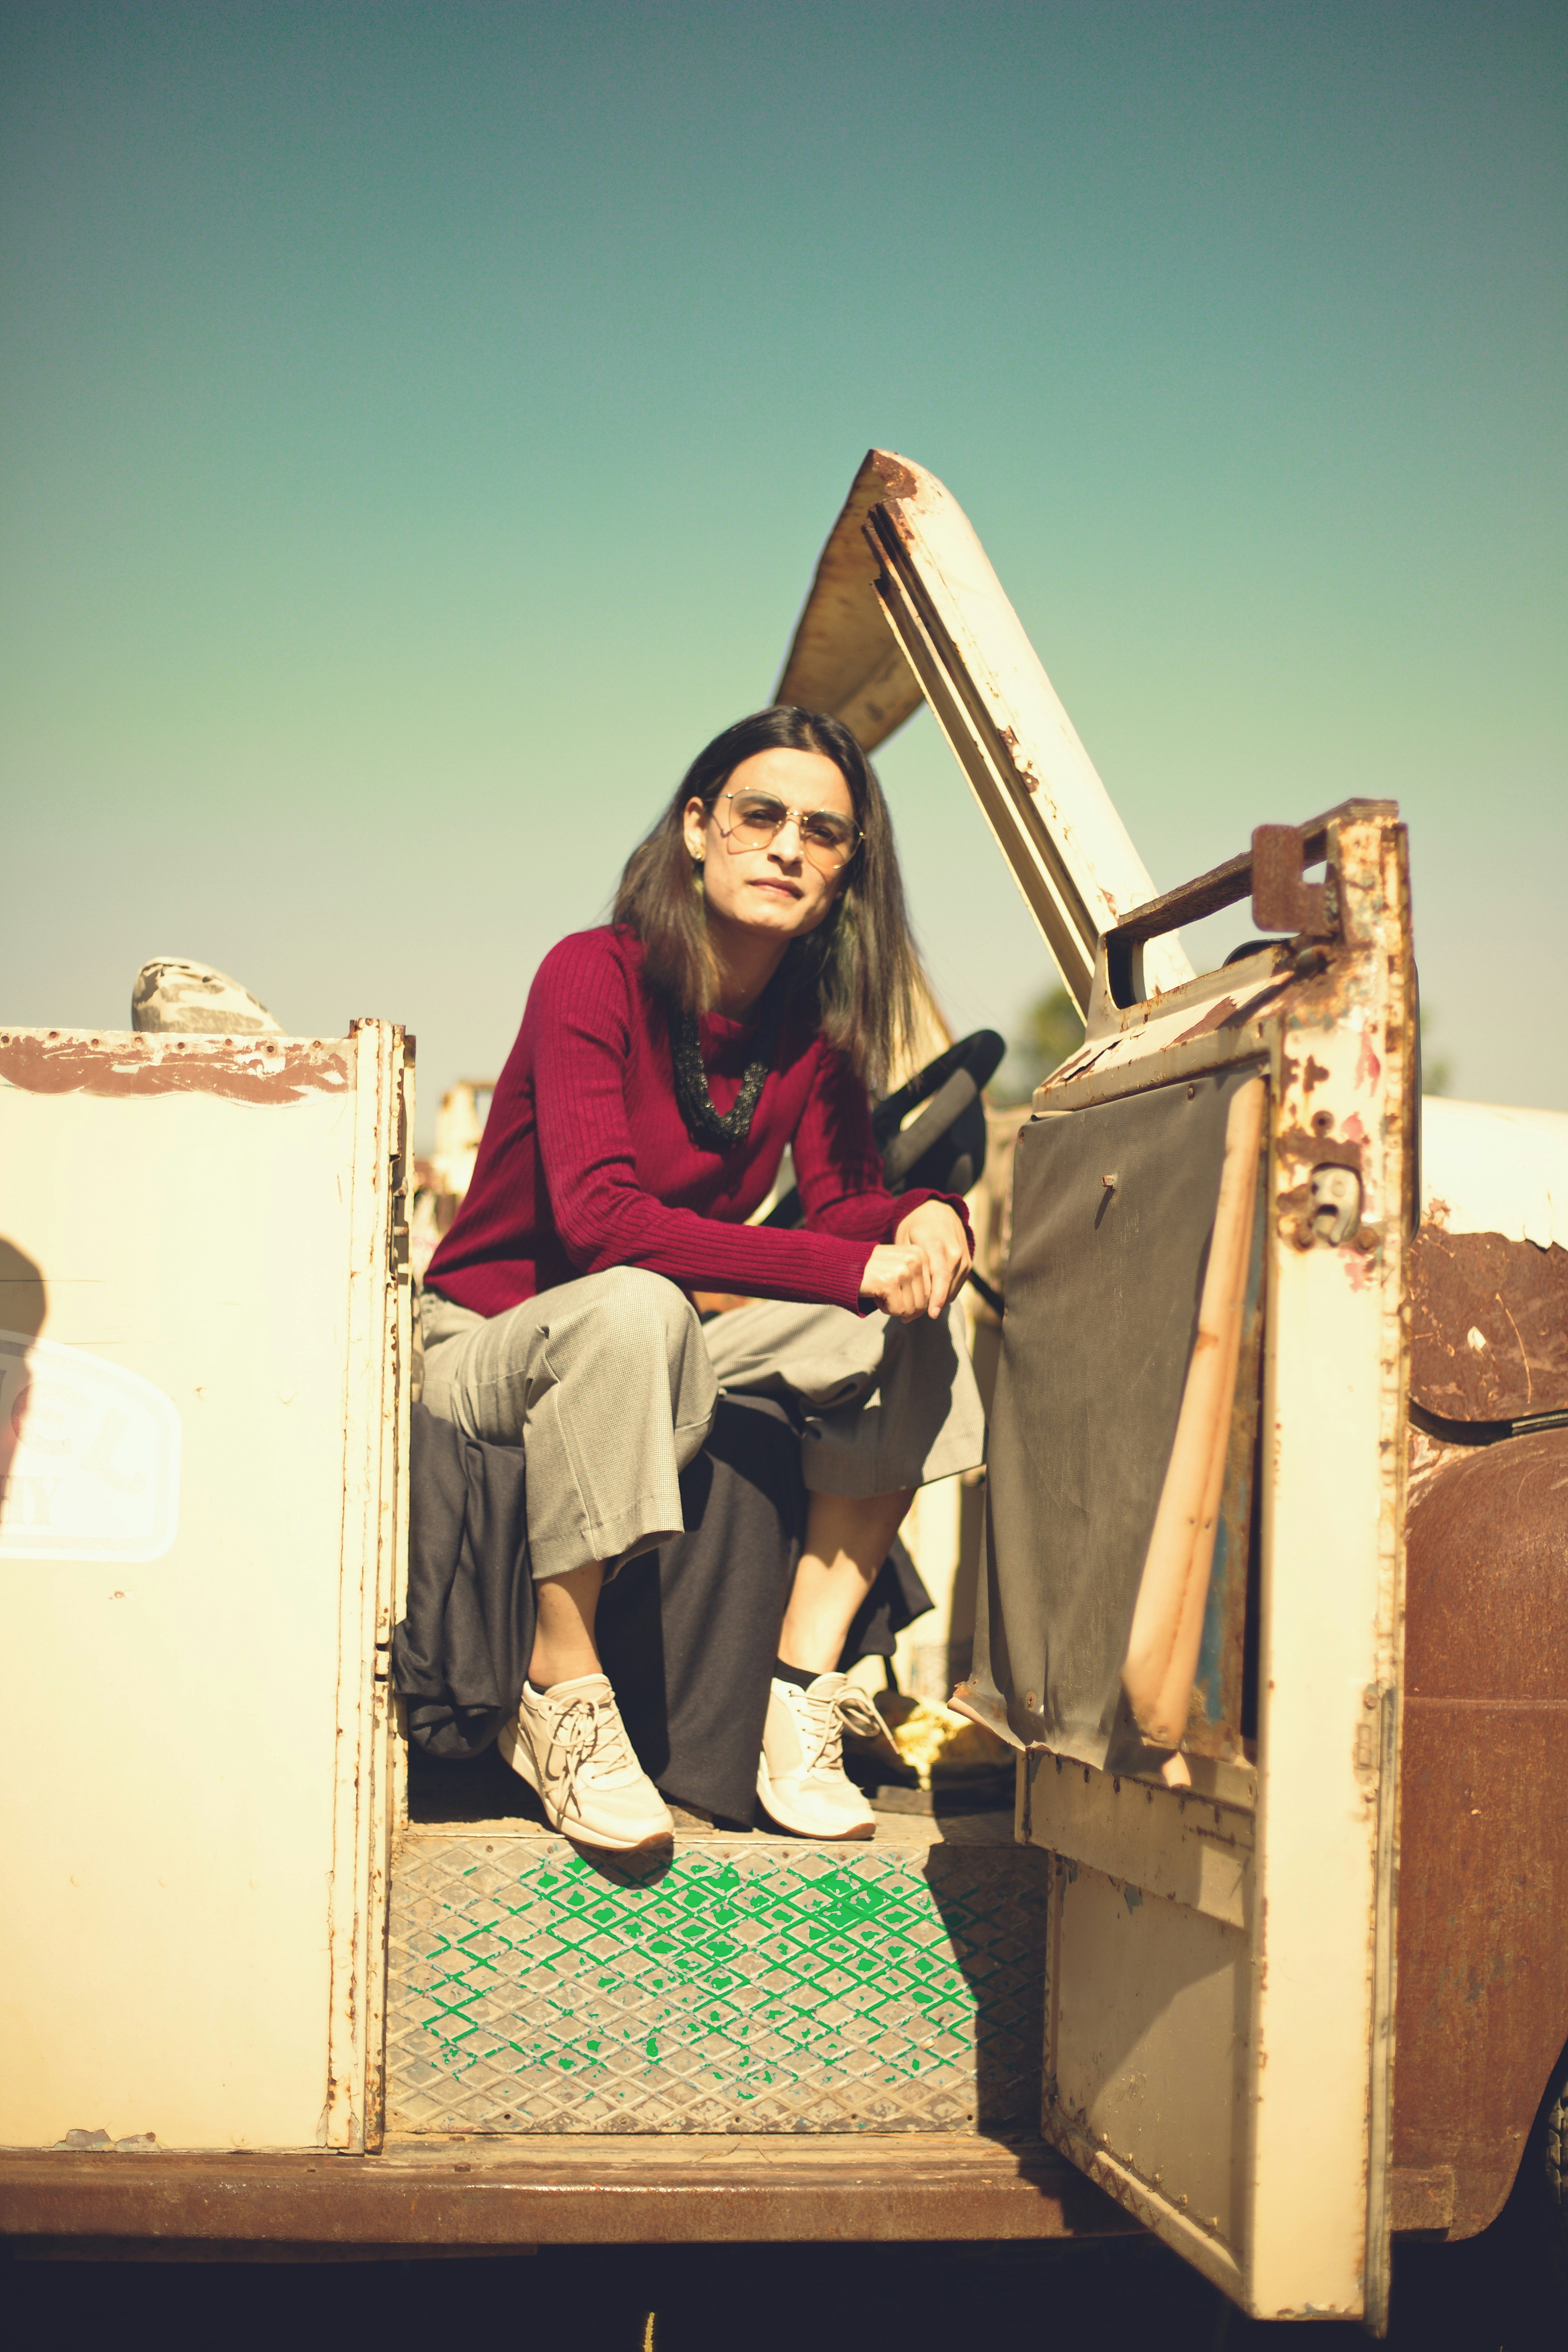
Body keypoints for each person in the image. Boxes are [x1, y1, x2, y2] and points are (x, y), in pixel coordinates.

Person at [420, 706, 986, 1851]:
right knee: (636, 1300)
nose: (788, 847)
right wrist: (850, 1262)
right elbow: (602, 1222)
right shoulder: (591, 975)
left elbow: (843, 1205)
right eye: (760, 816)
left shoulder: (816, 1028)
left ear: (847, 868)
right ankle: (560, 1691)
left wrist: (925, 1218)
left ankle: (796, 1691)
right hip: (488, 1338)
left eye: (823, 833)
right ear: (697, 827)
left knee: (907, 1328)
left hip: (662, 1331)